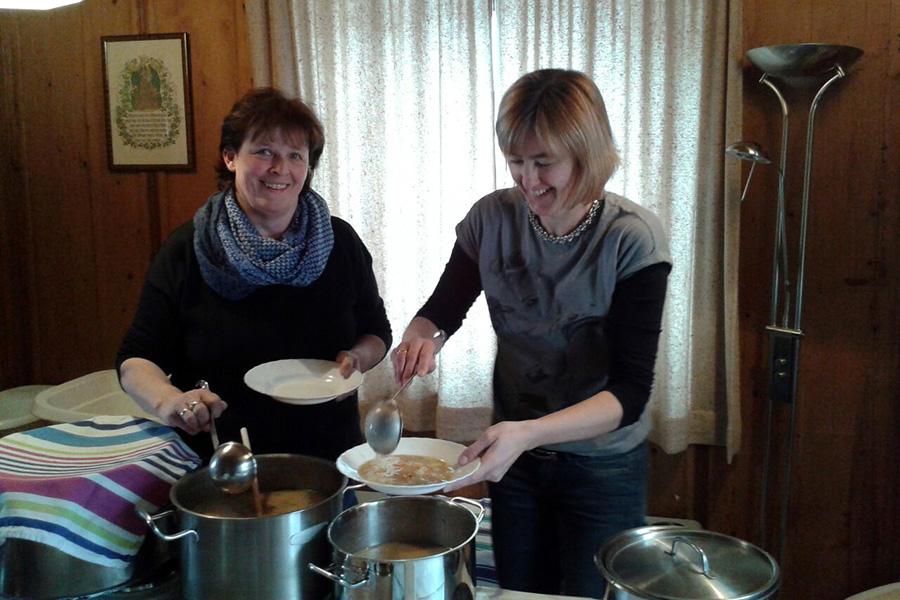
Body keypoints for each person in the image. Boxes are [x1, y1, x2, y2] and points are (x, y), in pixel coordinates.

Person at [391, 69, 670, 598]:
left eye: (545, 163)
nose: (528, 179)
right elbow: (442, 310)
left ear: (586, 155)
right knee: (519, 590)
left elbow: (629, 395)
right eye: (516, 161)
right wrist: (420, 336)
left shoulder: (631, 239)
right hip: (516, 460)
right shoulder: (490, 220)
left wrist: (526, 433)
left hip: (603, 466)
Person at [117, 87, 391, 463]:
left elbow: (377, 331)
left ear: (308, 167)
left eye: (295, 155)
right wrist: (169, 401)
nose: (280, 169)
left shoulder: (339, 242)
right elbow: (136, 359)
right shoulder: (190, 247)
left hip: (329, 456)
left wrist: (357, 359)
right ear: (230, 157)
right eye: (265, 152)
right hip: (221, 460)